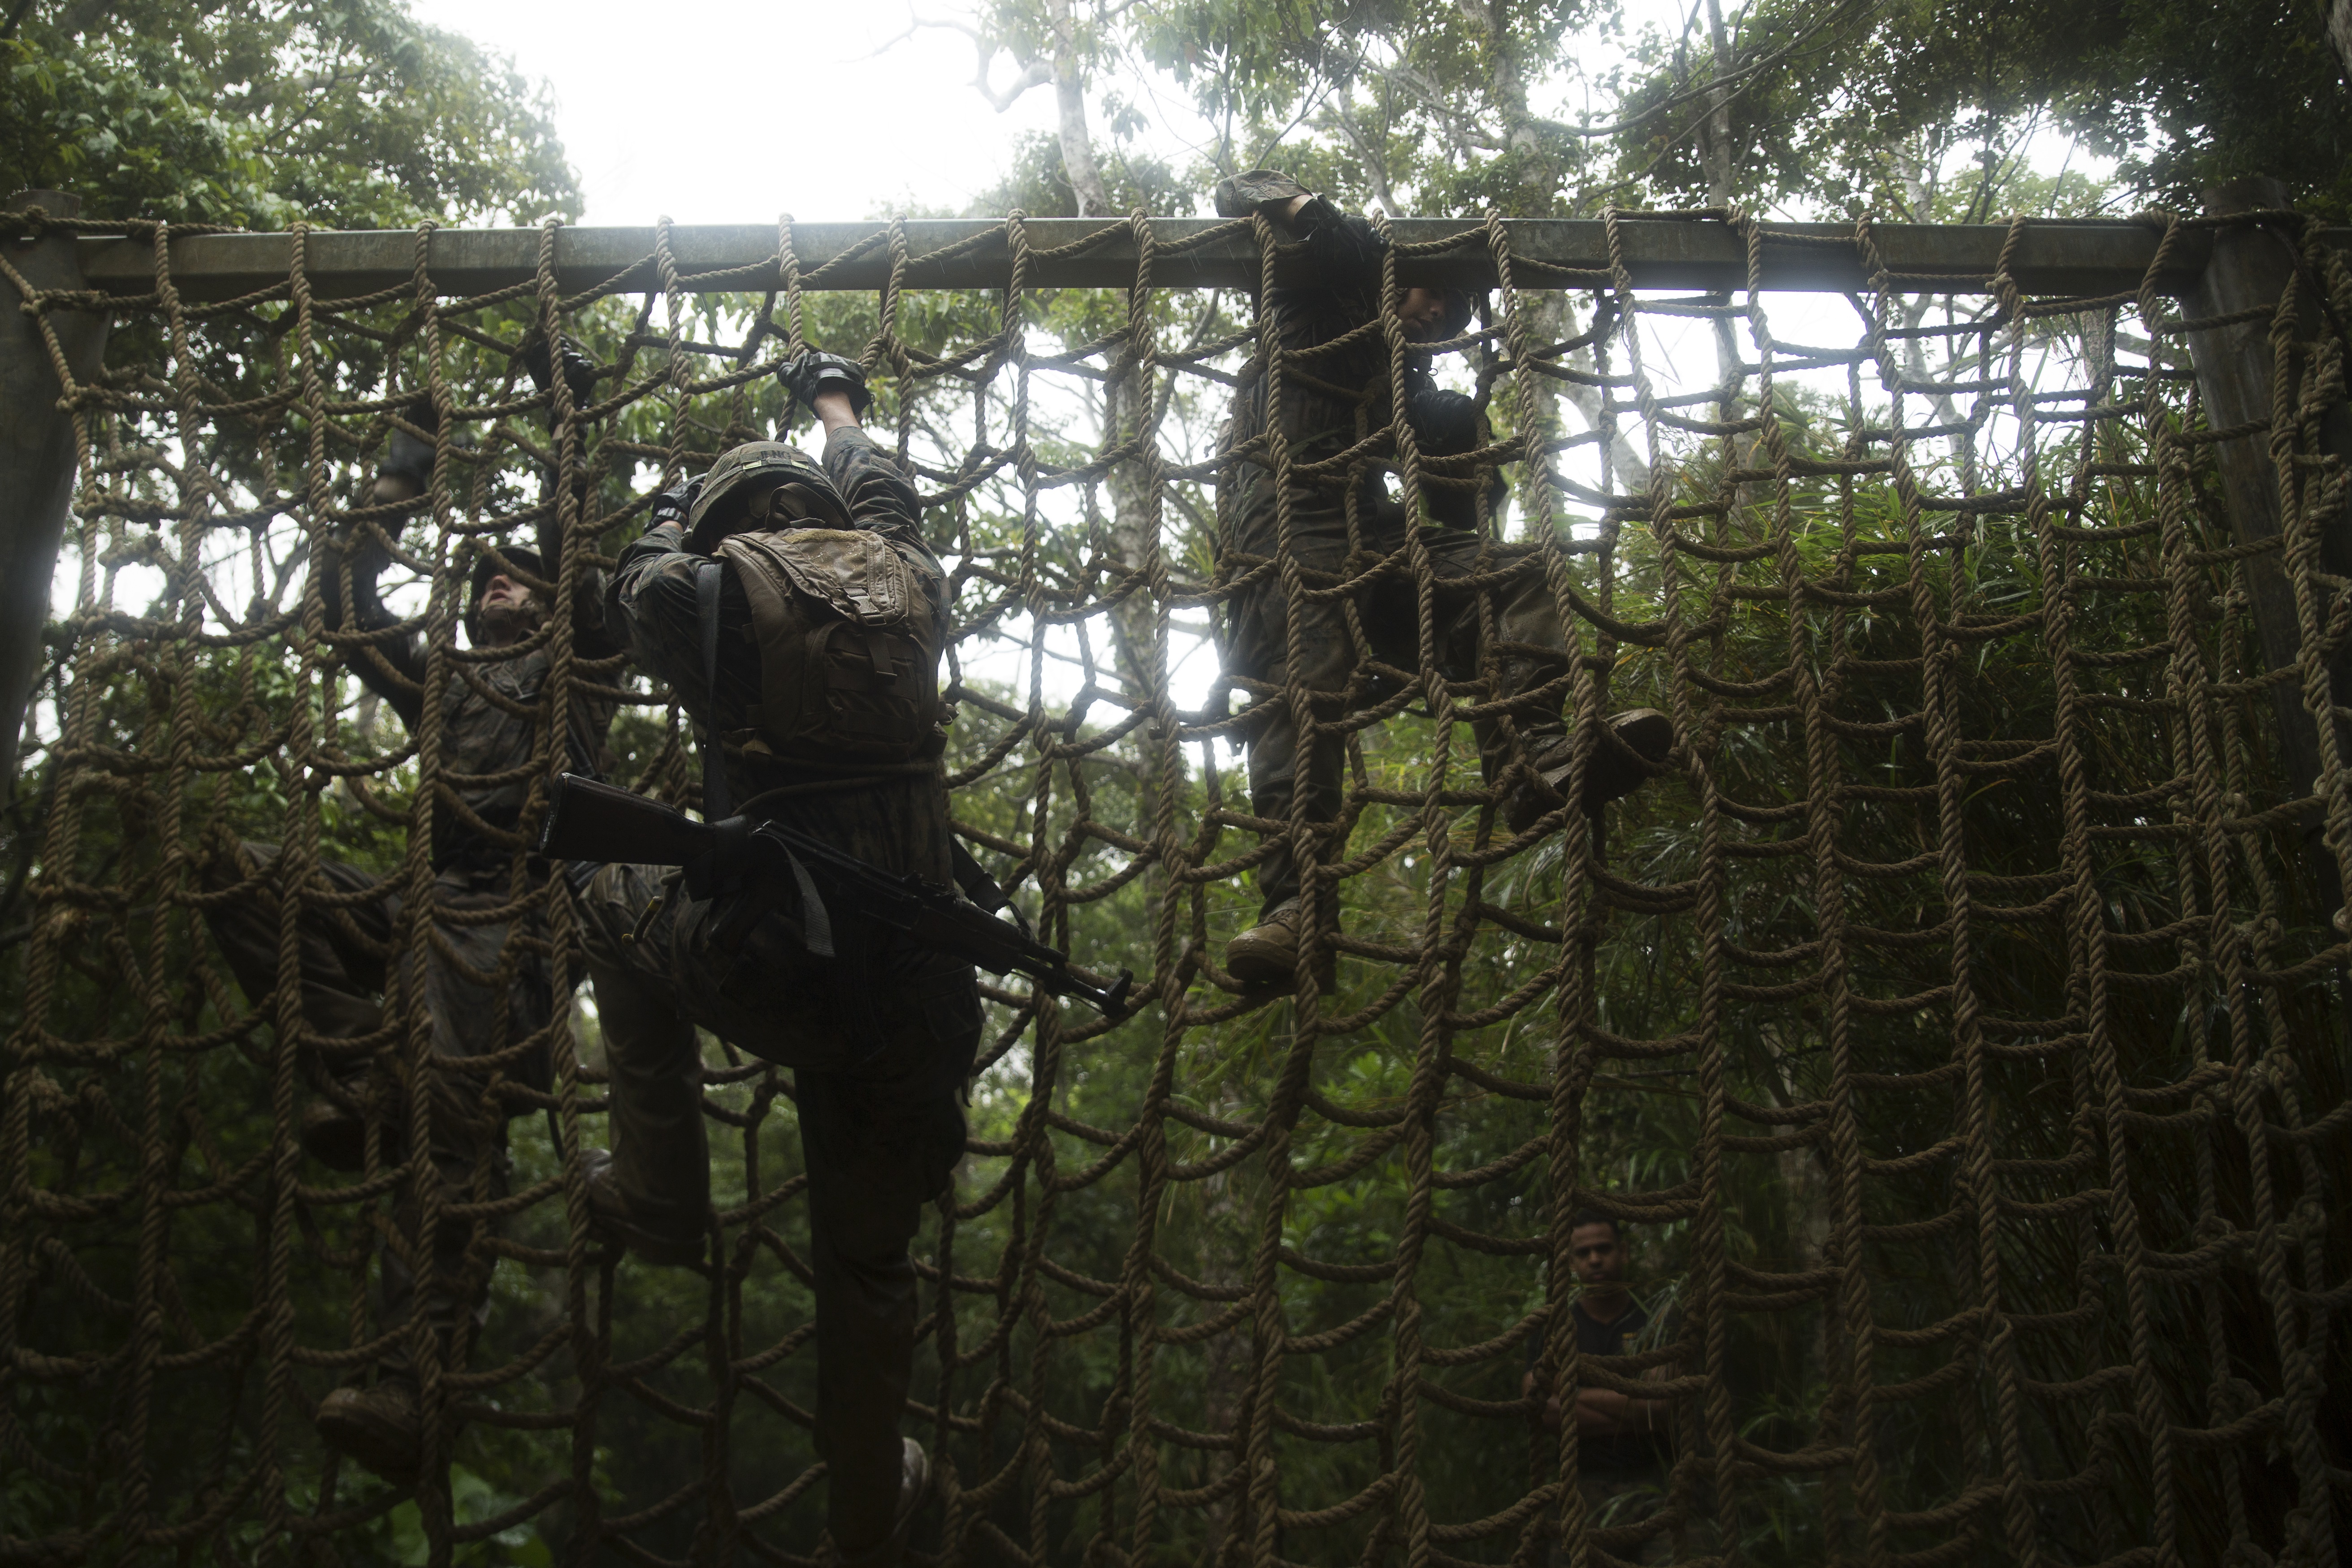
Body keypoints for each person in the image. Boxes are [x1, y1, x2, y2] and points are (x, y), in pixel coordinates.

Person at [572, 349, 979, 1568]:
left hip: (773, 968)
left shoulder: (700, 597)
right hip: (915, 990)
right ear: (825, 512)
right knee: (865, 1262)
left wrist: (657, 506)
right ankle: (866, 1506)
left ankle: (660, 1196)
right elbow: (890, 501)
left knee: (600, 894)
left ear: (720, 527)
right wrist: (838, 410)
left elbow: (632, 586)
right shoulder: (907, 574)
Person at [198, 351, 621, 1481]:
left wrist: (559, 405)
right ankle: (349, 1070)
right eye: (486, 572)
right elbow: (340, 606)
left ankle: (411, 1379)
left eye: (518, 576)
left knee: (446, 1123)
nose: (499, 580)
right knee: (237, 869)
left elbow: (579, 556)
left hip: (510, 929)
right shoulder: (443, 681)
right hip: (415, 906)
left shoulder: (580, 673)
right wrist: (411, 451)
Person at [1209, 170, 1674, 987]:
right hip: (1281, 524)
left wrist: (1462, 431)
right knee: (1302, 694)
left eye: (1455, 313)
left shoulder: (1408, 389)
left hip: (1371, 535)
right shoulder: (1321, 303)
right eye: (1428, 295)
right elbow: (1338, 244)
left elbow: (1461, 513)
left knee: (1515, 572)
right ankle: (1296, 909)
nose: (1436, 314)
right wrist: (1291, 200)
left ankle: (1533, 758)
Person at [1525, 1213, 1680, 1564]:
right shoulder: (1554, 1327)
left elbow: (1659, 1406)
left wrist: (1571, 1394)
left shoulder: (1654, 1318)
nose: (1594, 1259)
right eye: (1584, 1253)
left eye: (1604, 1248)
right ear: (1571, 1262)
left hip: (1655, 1485)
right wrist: (1631, 1408)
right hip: (1581, 1488)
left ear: (1623, 1252)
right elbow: (1539, 1408)